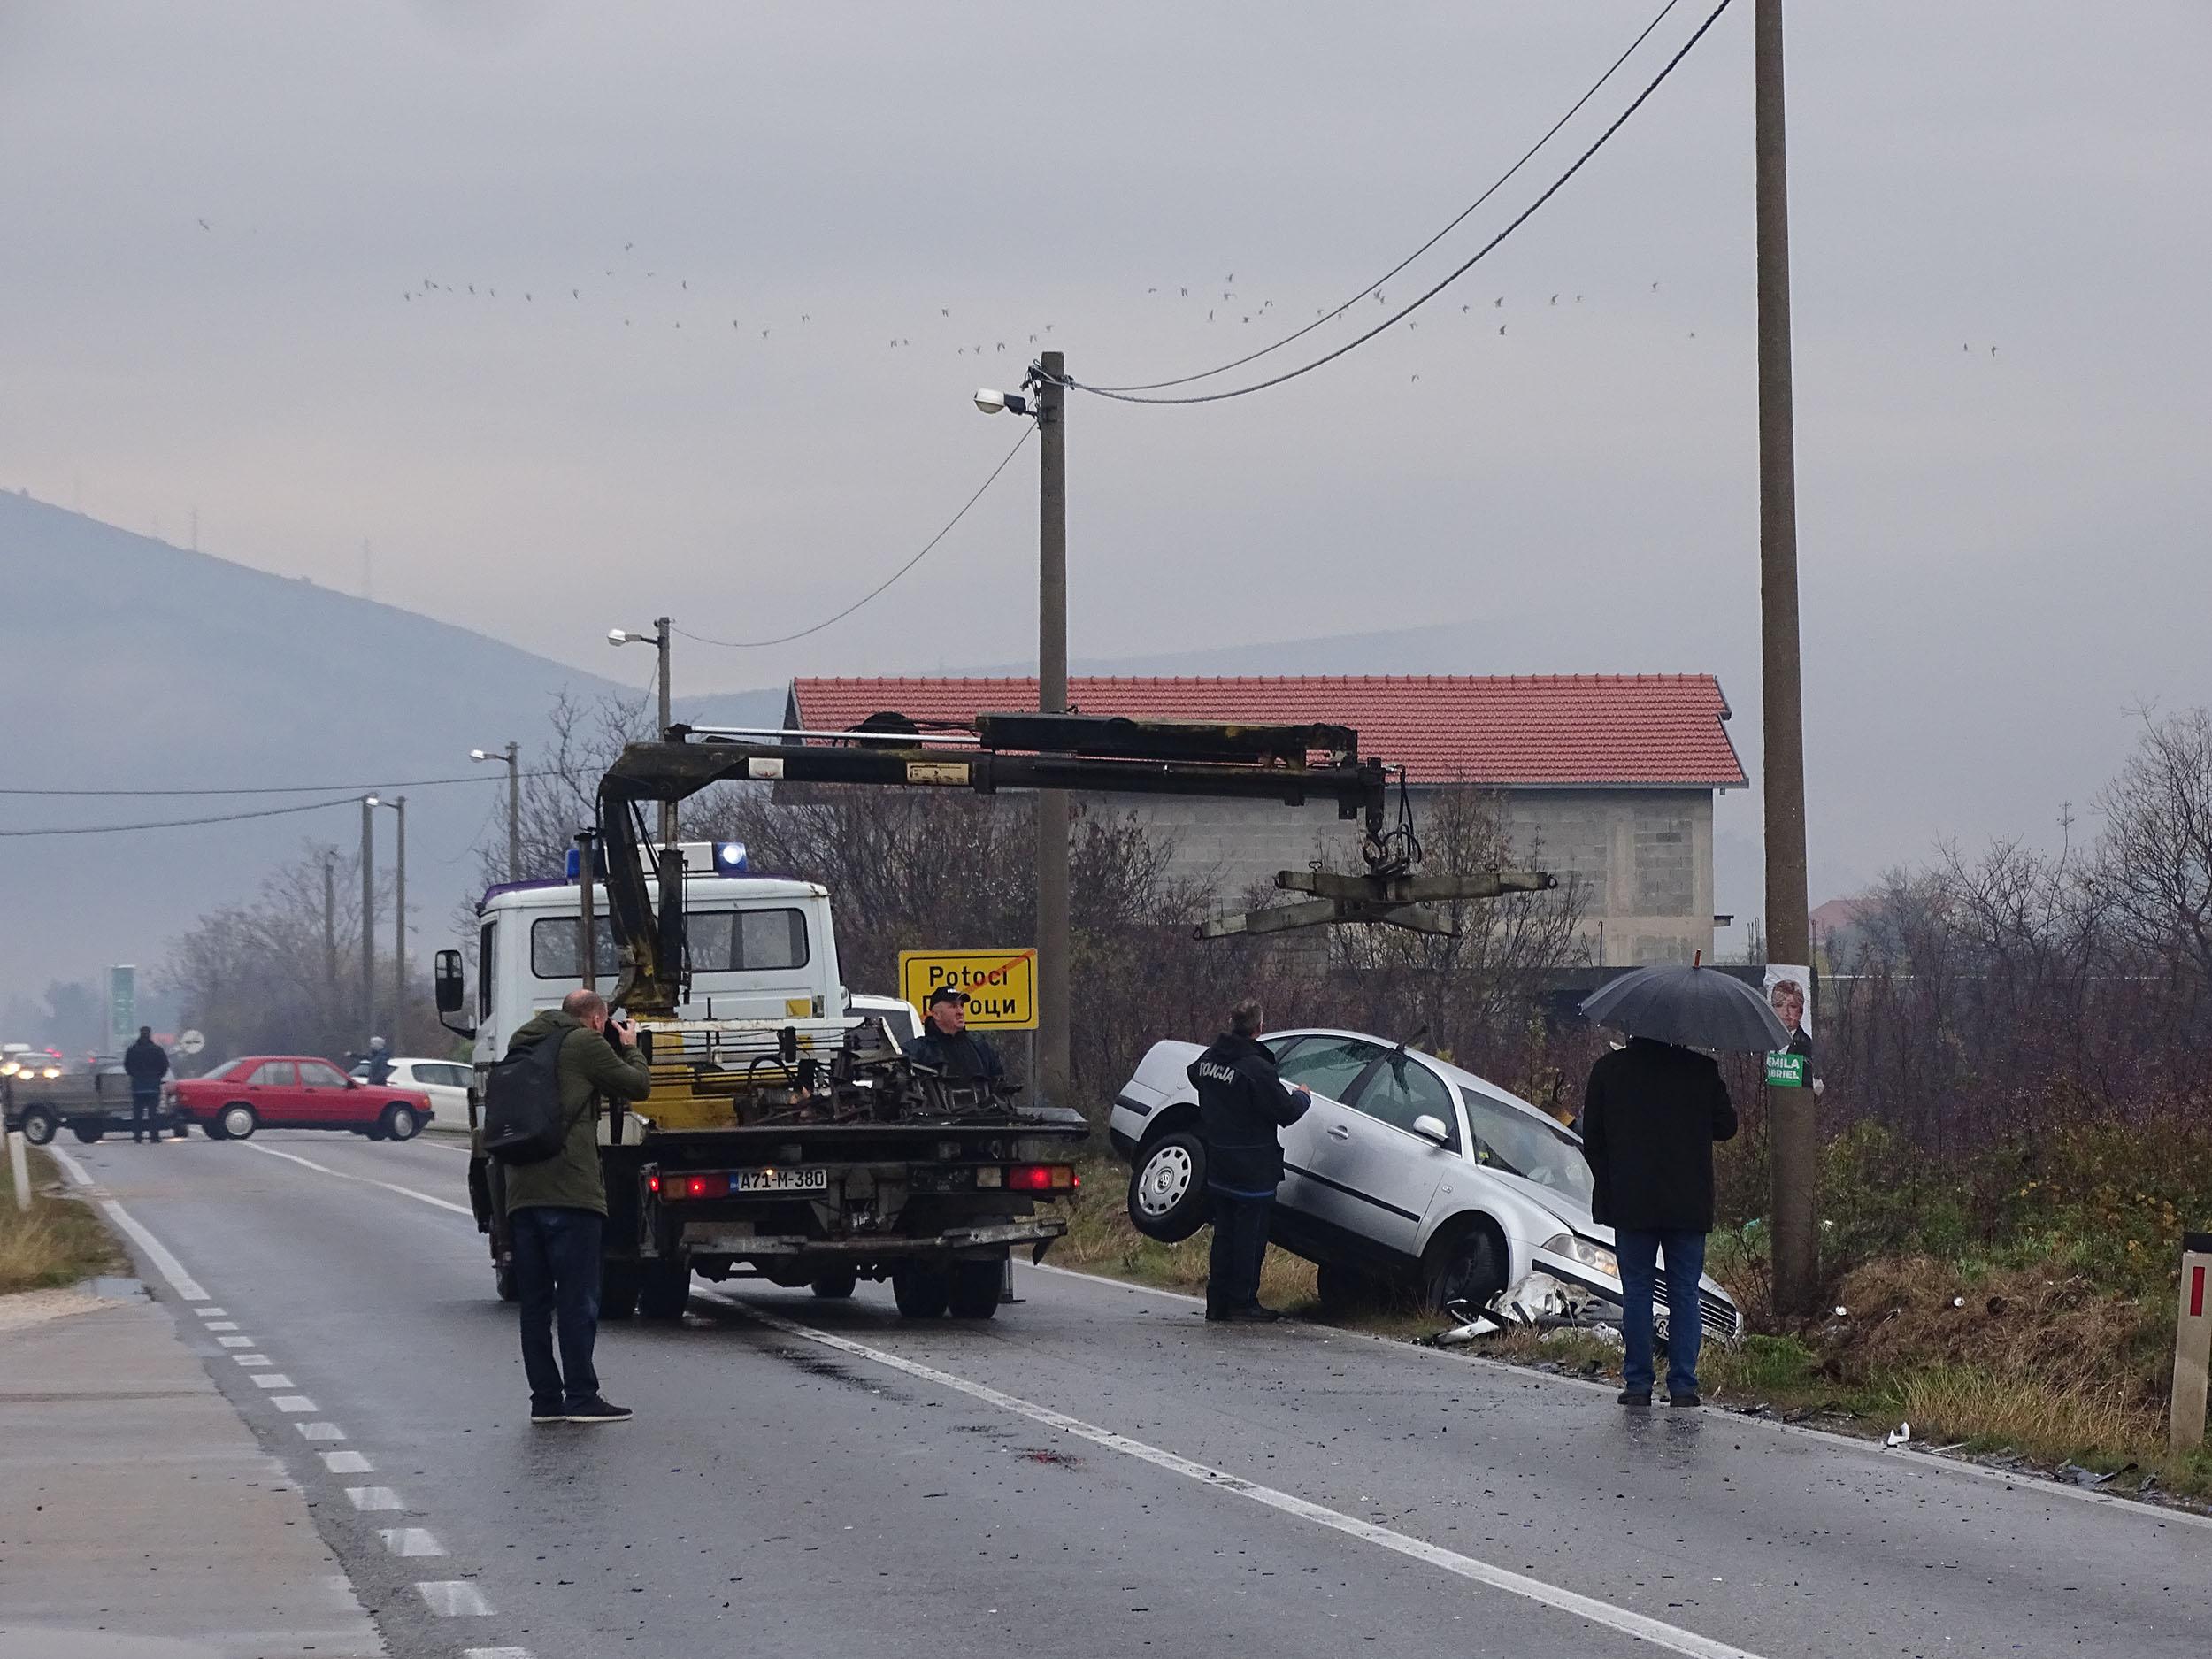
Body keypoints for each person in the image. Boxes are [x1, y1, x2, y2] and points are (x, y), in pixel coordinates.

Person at [503, 988, 654, 1425]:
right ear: (596, 1020)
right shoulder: (585, 1043)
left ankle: (545, 1401)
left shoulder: (523, 1042)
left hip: (522, 1190)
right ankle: (582, 1396)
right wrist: (630, 1048)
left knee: (534, 1304)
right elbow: (637, 1087)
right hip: (570, 1191)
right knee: (576, 1298)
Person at [1578, 1036, 1738, 1408]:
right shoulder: (1701, 1071)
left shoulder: (1609, 1070)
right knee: (1685, 1292)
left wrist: (1611, 1180)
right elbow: (1726, 1127)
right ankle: (1683, 1387)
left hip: (1631, 1202)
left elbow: (1593, 1138)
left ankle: (1637, 1385)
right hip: (1687, 1202)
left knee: (1637, 1291)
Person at [1187, 999, 1311, 1322]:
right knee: (1249, 1238)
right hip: (1252, 1168)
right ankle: (1242, 1302)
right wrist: (1303, 1096)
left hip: (1220, 1162)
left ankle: (1217, 1303)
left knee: (1224, 1235)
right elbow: (1286, 1112)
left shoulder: (1212, 1057)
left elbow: (1194, 1074)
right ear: (1259, 1028)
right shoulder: (1257, 1069)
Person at [903, 988, 1004, 1083]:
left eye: (961, 1006)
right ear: (936, 1015)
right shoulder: (918, 1050)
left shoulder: (981, 1048)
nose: (960, 1012)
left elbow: (1000, 1084)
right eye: (953, 1006)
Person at [122, 1026, 168, 1145]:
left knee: (138, 1113)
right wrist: (158, 1077)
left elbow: (127, 1066)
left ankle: (138, 1135)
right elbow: (164, 1065)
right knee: (153, 1113)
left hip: (138, 1086)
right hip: (153, 1086)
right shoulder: (157, 1050)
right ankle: (154, 1136)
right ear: (150, 1035)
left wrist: (135, 1076)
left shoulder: (132, 1050)